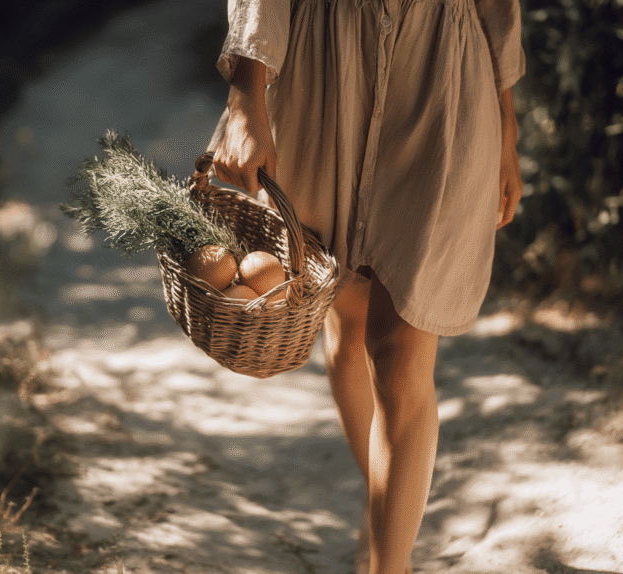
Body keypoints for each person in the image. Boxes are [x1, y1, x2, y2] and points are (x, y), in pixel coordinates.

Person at [209, 0, 524, 572]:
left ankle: (389, 559)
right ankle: (386, 505)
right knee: (348, 326)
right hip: (327, 70)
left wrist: (506, 119)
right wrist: (245, 94)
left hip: (446, 73)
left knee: (399, 356)